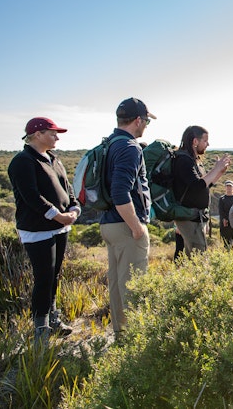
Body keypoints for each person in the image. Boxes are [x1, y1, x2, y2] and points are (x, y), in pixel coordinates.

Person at [8, 117, 79, 342]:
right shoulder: (23, 161)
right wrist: (58, 216)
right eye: (52, 133)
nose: (57, 137)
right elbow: (31, 196)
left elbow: (68, 190)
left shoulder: (54, 159)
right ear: (37, 134)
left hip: (59, 229)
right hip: (38, 230)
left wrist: (74, 209)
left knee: (54, 275)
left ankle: (53, 320)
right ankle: (41, 330)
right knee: (43, 277)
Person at [99, 97, 155, 339]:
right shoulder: (130, 147)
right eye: (146, 122)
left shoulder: (109, 143)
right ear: (138, 120)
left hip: (109, 223)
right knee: (133, 284)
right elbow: (120, 191)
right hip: (125, 225)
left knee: (117, 283)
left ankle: (121, 333)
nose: (146, 127)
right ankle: (135, 337)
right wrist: (136, 227)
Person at [172, 125, 231, 253]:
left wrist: (219, 172)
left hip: (196, 217)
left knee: (195, 255)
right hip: (189, 217)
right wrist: (215, 168)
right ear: (195, 141)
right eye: (205, 141)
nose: (208, 144)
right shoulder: (183, 160)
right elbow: (196, 186)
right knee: (197, 256)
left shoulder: (194, 160)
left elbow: (204, 185)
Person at [217, 180, 233, 248]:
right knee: (227, 243)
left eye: (230, 186)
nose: (229, 188)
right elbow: (221, 211)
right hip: (225, 224)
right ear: (225, 188)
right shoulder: (222, 199)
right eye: (227, 186)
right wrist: (224, 219)